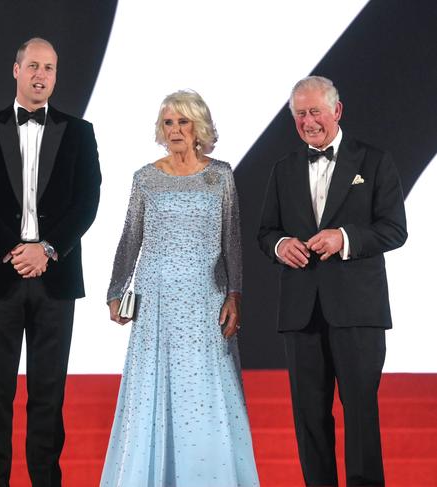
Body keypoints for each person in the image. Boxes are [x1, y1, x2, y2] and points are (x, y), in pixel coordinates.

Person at [0, 37, 101, 487]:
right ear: (16, 70)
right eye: (34, 65)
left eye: (51, 68)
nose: (42, 74)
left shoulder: (81, 132)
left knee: (48, 397)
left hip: (55, 278)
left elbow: (87, 202)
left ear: (56, 76)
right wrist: (13, 248)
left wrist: (48, 248)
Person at [101, 90, 259, 486]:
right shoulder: (146, 179)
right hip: (155, 301)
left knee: (203, 394)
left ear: (199, 127)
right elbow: (130, 238)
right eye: (168, 122)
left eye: (183, 122)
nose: (175, 130)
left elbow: (232, 241)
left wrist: (235, 295)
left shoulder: (219, 175)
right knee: (154, 392)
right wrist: (115, 289)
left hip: (206, 299)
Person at [258, 76, 407, 486]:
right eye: (301, 114)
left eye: (315, 112)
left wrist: (345, 238)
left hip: (358, 310)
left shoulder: (374, 161)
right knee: (309, 416)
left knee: (360, 412)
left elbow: (395, 229)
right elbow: (265, 231)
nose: (309, 121)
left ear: (336, 111)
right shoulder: (283, 169)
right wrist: (280, 245)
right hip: (301, 312)